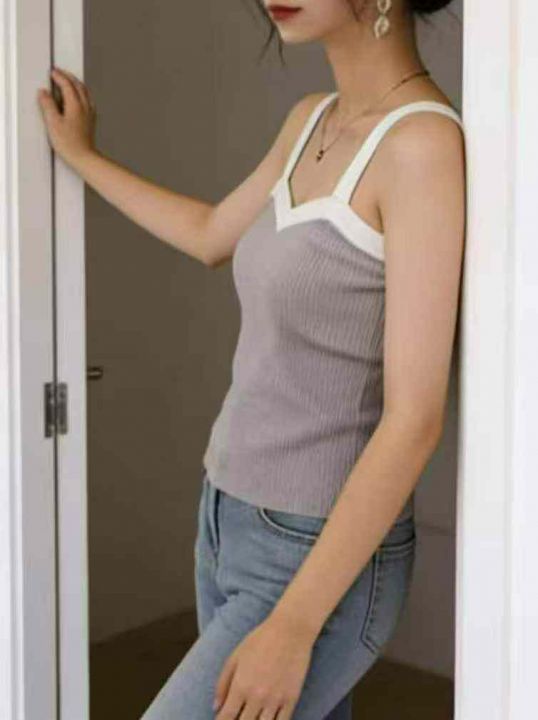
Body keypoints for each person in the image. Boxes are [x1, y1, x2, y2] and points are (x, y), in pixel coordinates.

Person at [37, 0, 466, 717]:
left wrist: (294, 624)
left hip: (314, 555)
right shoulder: (309, 120)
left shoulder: (421, 146)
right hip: (226, 517)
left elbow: (414, 419)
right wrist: (83, 156)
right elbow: (211, 233)